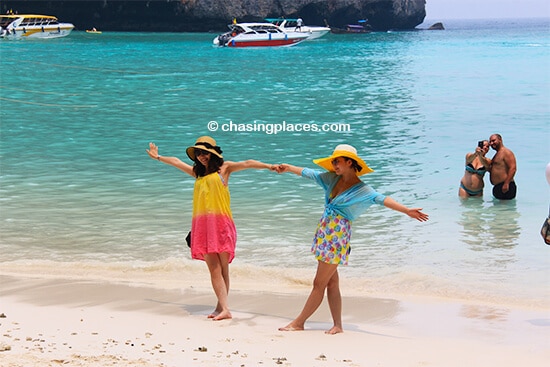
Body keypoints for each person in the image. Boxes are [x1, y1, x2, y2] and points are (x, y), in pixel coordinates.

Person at [276, 144, 429, 334]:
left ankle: (299, 322)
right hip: (324, 233)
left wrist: (406, 210)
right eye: (333, 161)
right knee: (331, 282)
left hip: (338, 237)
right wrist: (289, 167)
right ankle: (338, 325)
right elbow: (309, 173)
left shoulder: (362, 190)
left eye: (337, 161)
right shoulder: (331, 178)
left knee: (319, 283)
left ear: (350, 162)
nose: (334, 165)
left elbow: (382, 199)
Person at [146, 136, 277, 320]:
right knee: (214, 268)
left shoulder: (225, 169)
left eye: (204, 153)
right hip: (202, 226)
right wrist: (157, 157)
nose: (201, 156)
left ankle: (223, 308)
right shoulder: (197, 173)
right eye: (198, 153)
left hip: (222, 224)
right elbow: (176, 161)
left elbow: (248, 163)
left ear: (213, 153)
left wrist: (269, 166)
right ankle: (222, 307)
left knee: (223, 269)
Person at [488, 134, 517, 200]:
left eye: (493, 141)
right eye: (490, 142)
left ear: (500, 140)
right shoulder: (497, 154)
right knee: (500, 209)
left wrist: (506, 184)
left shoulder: (506, 152)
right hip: (498, 187)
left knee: (505, 209)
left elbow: (513, 168)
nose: (491, 143)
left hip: (506, 186)